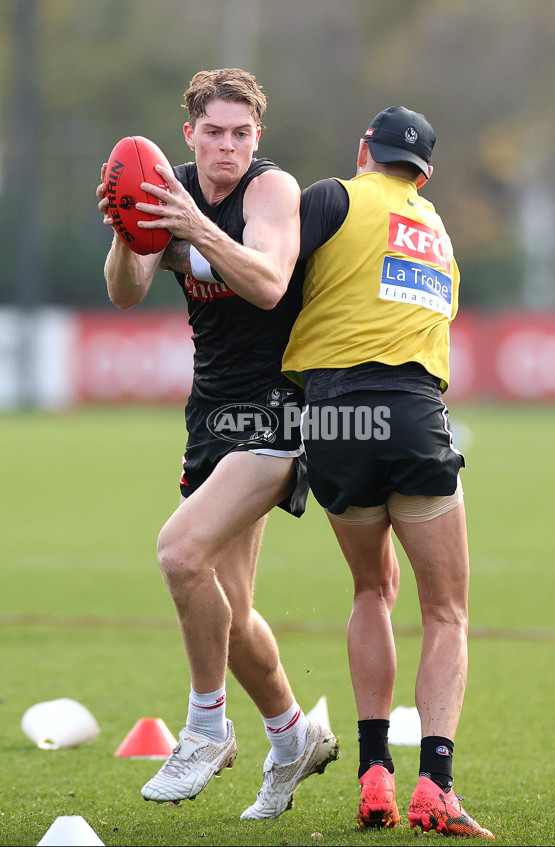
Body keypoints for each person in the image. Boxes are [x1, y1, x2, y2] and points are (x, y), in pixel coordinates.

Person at [96, 68, 338, 819]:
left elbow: (268, 282)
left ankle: (205, 727)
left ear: (255, 138)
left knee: (178, 551)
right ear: (189, 135)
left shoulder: (271, 191)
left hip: (279, 408)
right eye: (214, 132)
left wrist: (195, 228)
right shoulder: (170, 190)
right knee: (227, 610)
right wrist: (128, 230)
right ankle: (293, 735)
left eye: (241, 133)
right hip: (210, 413)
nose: (227, 146)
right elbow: (126, 289)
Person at [282, 106, 495, 838]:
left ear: (365, 148)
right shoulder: (439, 235)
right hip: (408, 410)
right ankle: (434, 781)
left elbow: (274, 277)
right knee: (446, 611)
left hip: (333, 416)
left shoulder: (334, 194)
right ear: (426, 172)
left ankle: (374, 771)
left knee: (371, 587)